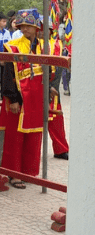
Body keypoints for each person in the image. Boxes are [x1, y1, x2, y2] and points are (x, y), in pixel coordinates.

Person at [0, 9, 48, 188]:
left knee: (34, 135)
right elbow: (7, 74)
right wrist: (12, 98)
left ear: (36, 28)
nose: (26, 29)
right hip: (19, 98)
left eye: (29, 26)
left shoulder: (44, 46)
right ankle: (14, 174)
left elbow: (49, 71)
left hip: (37, 97)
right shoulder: (12, 46)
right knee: (15, 137)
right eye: (23, 26)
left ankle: (29, 172)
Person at [47, 32, 69, 160]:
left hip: (52, 89)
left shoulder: (57, 45)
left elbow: (59, 69)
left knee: (56, 120)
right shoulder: (27, 45)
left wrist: (51, 87)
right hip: (32, 89)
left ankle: (60, 149)